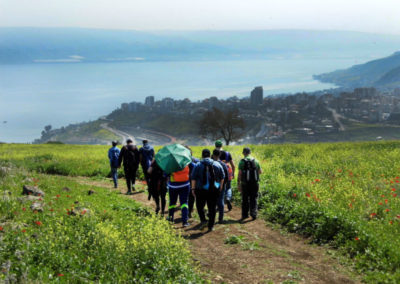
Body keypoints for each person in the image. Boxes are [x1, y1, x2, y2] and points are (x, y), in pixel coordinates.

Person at [191, 149, 225, 232]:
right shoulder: (217, 164)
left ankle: (203, 220)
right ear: (210, 155)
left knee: (199, 206)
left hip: (200, 190)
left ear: (202, 156)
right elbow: (222, 177)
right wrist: (220, 187)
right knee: (212, 208)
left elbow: (193, 178)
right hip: (213, 190)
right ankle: (211, 226)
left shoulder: (198, 165)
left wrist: (193, 188)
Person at [237, 147, 262, 221]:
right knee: (253, 198)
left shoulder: (242, 162)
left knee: (245, 199)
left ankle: (245, 215)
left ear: (243, 153)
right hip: (255, 183)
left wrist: (238, 184)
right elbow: (260, 172)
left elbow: (239, 174)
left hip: (245, 184)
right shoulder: (256, 161)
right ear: (250, 152)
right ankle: (253, 213)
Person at [212, 149, 229, 224]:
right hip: (220, 184)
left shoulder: (211, 163)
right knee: (221, 201)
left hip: (211, 185)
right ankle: (220, 218)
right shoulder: (223, 164)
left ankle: (211, 216)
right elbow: (226, 177)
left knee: (212, 201)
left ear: (212, 154)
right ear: (219, 155)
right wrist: (223, 184)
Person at [185, 146, 199, 219]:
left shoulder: (182, 161)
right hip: (194, 181)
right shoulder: (195, 160)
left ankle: (187, 211)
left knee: (185, 197)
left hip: (184, 181)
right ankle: (189, 211)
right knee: (191, 197)